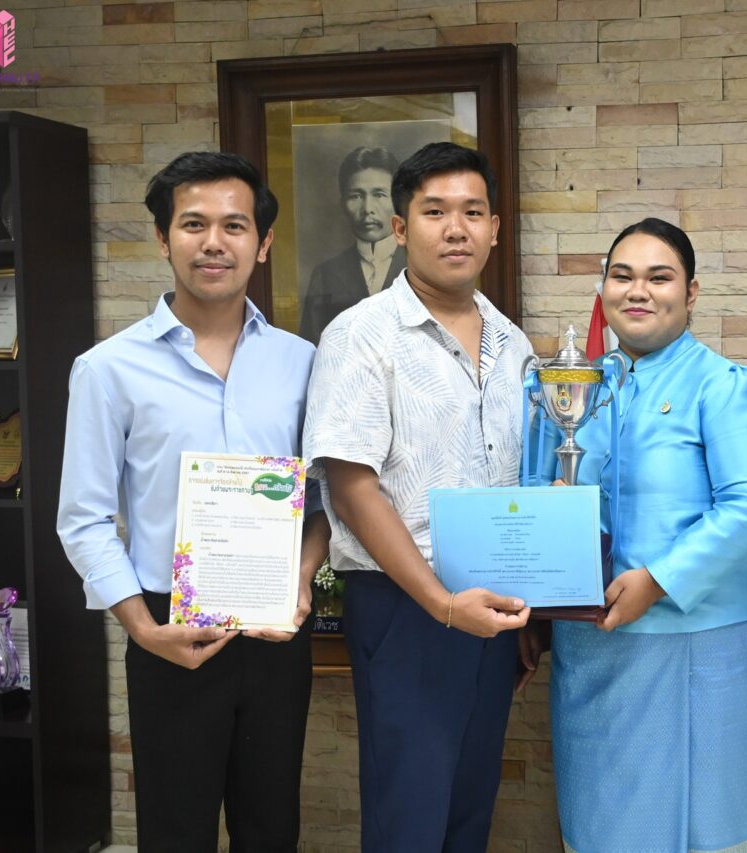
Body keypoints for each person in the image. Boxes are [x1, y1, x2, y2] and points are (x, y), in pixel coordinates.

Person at [57, 151, 330, 852]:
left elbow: (326, 497)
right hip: (168, 633)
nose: (215, 242)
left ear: (263, 243)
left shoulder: (304, 363)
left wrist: (300, 581)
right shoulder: (107, 369)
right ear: (162, 238)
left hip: (276, 637)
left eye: (235, 225)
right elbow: (83, 519)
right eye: (194, 223)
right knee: (174, 832)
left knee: (272, 828)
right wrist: (143, 630)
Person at [301, 142, 532, 851]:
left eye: (471, 212)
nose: (455, 228)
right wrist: (439, 601)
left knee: (468, 806)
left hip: (491, 609)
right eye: (434, 211)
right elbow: (350, 481)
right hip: (408, 610)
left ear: (495, 227)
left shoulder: (513, 343)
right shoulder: (362, 335)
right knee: (409, 813)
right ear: (401, 227)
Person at [536, 218, 747, 852]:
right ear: (602, 289)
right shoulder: (572, 389)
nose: (638, 291)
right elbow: (544, 499)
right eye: (621, 276)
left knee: (713, 818)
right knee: (607, 816)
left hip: (706, 640)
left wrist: (658, 580)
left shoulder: (726, 387)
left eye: (659, 277)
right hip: (593, 641)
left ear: (692, 292)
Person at [299, 146, 407, 345]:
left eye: (379, 194)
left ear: (398, 200)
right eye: (356, 196)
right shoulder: (326, 274)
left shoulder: (420, 265)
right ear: (342, 203)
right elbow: (312, 348)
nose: (367, 209)